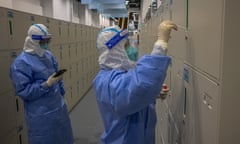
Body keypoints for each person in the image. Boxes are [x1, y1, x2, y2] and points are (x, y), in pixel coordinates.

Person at [93, 20, 177, 144]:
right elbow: (138, 87)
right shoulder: (108, 80)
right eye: (125, 46)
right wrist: (161, 45)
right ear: (114, 49)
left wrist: (153, 93)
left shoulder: (117, 73)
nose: (129, 49)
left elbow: (134, 92)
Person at [9, 24, 74, 144]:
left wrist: (62, 96)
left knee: (64, 137)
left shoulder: (48, 56)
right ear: (33, 41)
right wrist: (46, 85)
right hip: (40, 114)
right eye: (43, 41)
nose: (46, 44)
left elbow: (58, 79)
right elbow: (24, 91)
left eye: (48, 40)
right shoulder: (20, 63)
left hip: (58, 107)